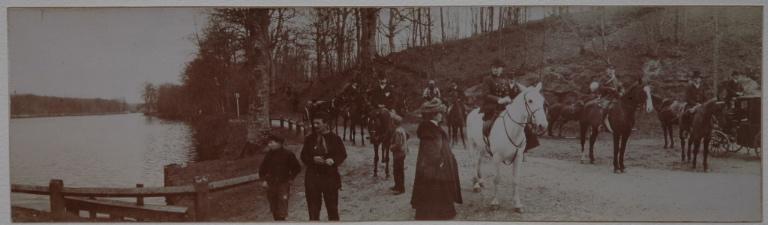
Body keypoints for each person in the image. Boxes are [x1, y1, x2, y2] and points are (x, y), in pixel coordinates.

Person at [411, 99, 462, 220]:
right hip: (432, 168)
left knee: (440, 190)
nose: (441, 115)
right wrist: (440, 161)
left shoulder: (433, 127)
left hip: (437, 167)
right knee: (434, 191)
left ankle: (441, 212)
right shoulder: (428, 130)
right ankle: (433, 214)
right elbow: (430, 150)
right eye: (439, 113)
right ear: (434, 115)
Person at [479, 59, 539, 151]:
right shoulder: (487, 79)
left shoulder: (504, 80)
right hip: (491, 106)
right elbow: (485, 94)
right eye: (493, 68)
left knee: (522, 122)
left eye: (497, 68)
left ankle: (525, 146)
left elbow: (509, 93)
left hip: (505, 106)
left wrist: (514, 92)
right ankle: (489, 143)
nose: (495, 70)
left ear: (501, 69)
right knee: (489, 124)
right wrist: (499, 99)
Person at [301, 115, 347, 221]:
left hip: (329, 177)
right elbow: (303, 156)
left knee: (332, 209)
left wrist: (333, 160)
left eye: (318, 123)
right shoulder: (310, 139)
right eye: (314, 123)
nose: (315, 125)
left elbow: (342, 154)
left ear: (325, 124)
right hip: (313, 178)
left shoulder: (335, 138)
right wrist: (313, 160)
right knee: (313, 210)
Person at [258, 133, 302, 221]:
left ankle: (281, 220)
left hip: (283, 184)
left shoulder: (288, 154)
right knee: (274, 207)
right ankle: (276, 219)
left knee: (282, 206)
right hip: (271, 184)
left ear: (279, 143)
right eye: (268, 143)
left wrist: (291, 178)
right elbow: (262, 169)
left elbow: (297, 168)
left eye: (271, 142)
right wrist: (264, 180)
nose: (269, 144)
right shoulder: (268, 155)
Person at [389, 109, 409, 195]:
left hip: (398, 154)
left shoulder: (397, 131)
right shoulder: (402, 129)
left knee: (398, 170)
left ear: (394, 123)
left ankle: (400, 188)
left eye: (392, 121)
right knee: (398, 170)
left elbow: (398, 144)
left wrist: (391, 147)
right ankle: (398, 186)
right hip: (402, 153)